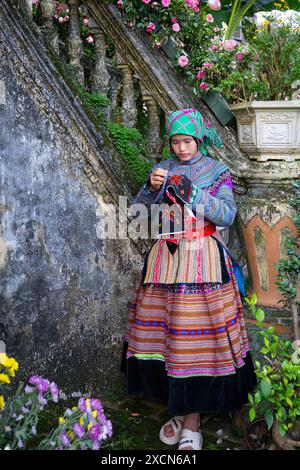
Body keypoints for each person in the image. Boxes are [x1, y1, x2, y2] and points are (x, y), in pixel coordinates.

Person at [120, 109, 257, 450]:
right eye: (176, 142)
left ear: (199, 140)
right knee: (167, 334)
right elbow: (139, 213)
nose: (181, 149)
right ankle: (179, 409)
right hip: (165, 261)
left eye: (187, 141)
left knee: (194, 336)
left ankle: (193, 420)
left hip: (202, 260)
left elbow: (226, 213)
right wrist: (150, 189)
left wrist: (194, 192)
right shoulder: (162, 170)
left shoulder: (217, 171)